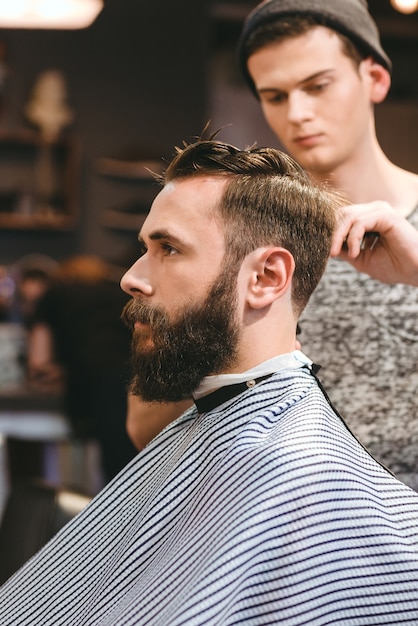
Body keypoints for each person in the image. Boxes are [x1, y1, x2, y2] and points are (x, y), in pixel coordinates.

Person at [1, 139, 418, 624]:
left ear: (266, 277)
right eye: (145, 249)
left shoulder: (303, 473)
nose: (130, 278)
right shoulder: (212, 417)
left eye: (169, 248)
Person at [236, 0, 418, 489]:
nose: (297, 113)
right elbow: (147, 425)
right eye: (274, 96)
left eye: (318, 86)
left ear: (375, 79)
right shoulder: (253, 243)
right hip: (306, 529)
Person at [27, 255, 137, 483]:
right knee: (129, 471)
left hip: (90, 386)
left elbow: (39, 362)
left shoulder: (55, 293)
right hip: (135, 383)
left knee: (105, 474)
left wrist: (53, 374)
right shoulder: (120, 294)